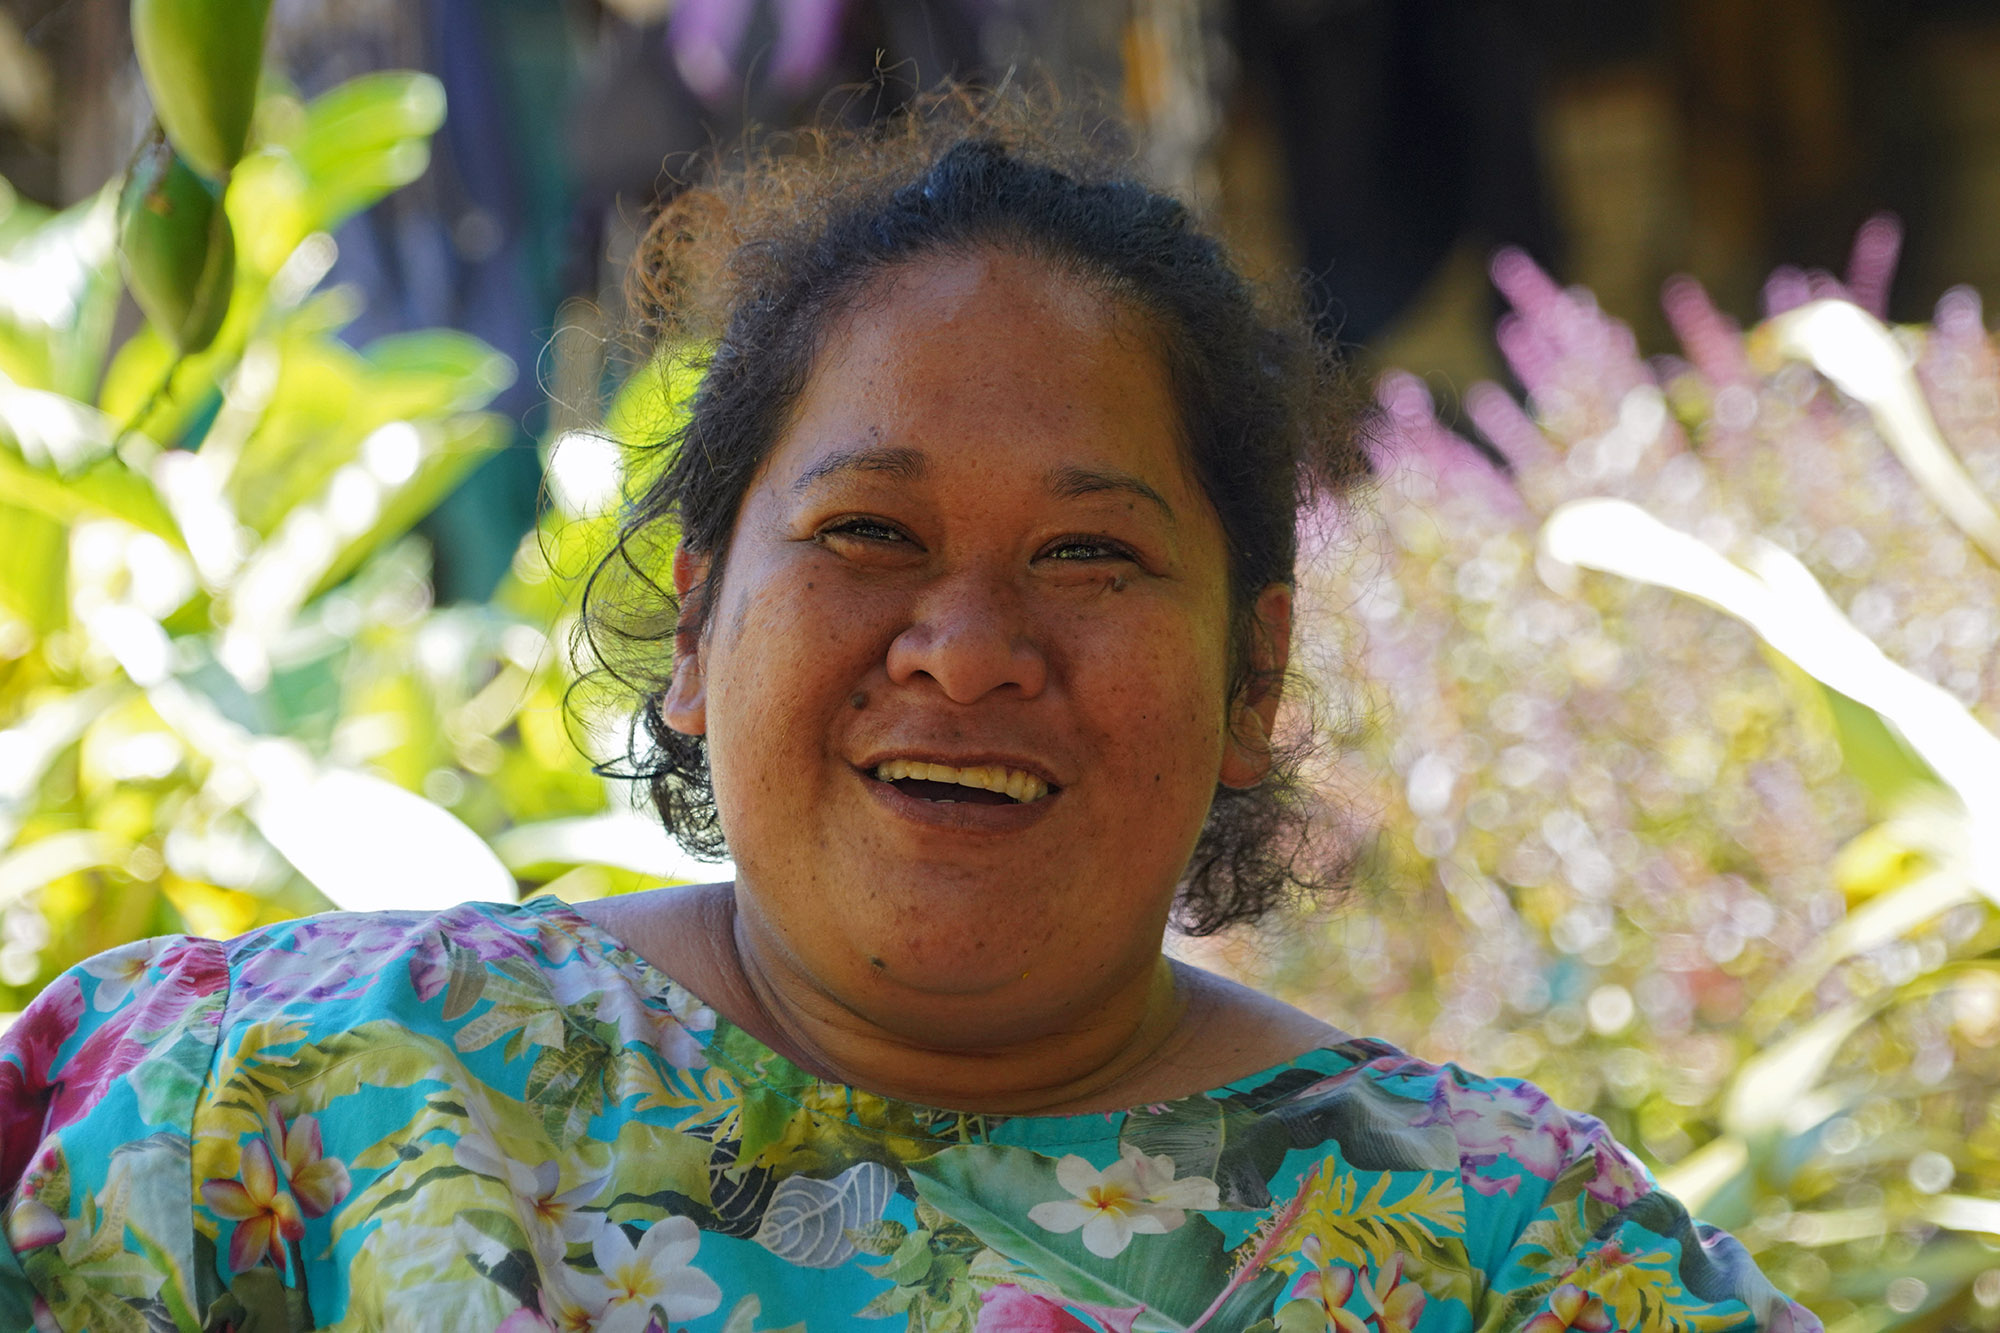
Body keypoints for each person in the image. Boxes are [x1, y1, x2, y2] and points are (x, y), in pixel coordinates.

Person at [0, 100, 1816, 1332]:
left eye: (1092, 554)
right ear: (701, 628)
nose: (964, 647)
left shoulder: (1507, 1253)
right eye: (869, 532)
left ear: (1250, 679)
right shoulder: (289, 1092)